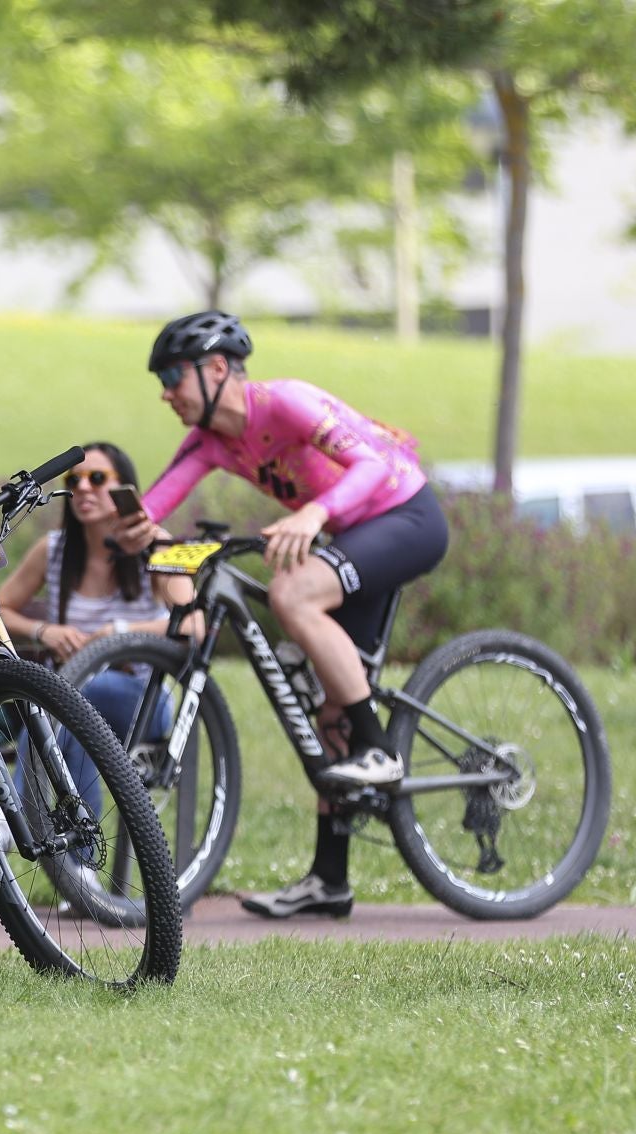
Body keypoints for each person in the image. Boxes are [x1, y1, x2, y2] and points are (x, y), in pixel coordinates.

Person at [125, 310, 449, 920]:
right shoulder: (211, 441)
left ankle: (380, 750)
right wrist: (133, 530)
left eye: (173, 376)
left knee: (292, 594)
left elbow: (373, 465)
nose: (166, 393)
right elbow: (153, 508)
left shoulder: (285, 402)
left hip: (404, 516)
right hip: (348, 537)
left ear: (217, 369)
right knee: (326, 706)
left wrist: (312, 514)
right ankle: (330, 879)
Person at [0, 442, 197, 835]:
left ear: (125, 489)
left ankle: (12, 813)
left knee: (70, 697)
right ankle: (82, 863)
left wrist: (116, 635)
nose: (84, 488)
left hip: (142, 702)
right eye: (75, 481)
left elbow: (194, 624)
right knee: (75, 718)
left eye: (98, 478)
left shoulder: (157, 544)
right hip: (71, 700)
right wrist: (45, 631)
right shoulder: (53, 550)